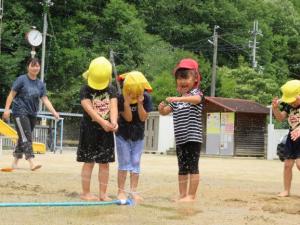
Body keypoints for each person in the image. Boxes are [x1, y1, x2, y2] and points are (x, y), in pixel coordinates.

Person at [158, 58, 204, 202]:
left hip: (193, 138)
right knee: (182, 168)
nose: (182, 81)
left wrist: (178, 99)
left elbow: (197, 100)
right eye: (179, 78)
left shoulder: (196, 93)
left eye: (186, 78)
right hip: (181, 140)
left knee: (193, 167)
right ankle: (182, 194)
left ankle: (191, 195)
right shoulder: (178, 100)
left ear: (195, 78)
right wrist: (161, 108)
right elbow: (165, 111)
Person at [2, 58, 59, 171]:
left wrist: (54, 112)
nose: (35, 68)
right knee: (27, 136)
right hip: (19, 112)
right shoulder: (21, 80)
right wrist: (7, 109)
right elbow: (11, 95)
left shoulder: (40, 84)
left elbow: (45, 100)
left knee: (22, 137)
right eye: (33, 65)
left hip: (32, 113)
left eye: (37, 66)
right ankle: (31, 161)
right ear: (28, 67)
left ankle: (15, 162)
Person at [77, 56, 118, 201]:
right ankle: (86, 193)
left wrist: (113, 122)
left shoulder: (111, 89)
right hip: (89, 129)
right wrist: (104, 123)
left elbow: (113, 107)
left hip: (106, 131)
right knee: (89, 162)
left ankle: (103, 193)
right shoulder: (85, 90)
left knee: (105, 163)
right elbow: (90, 110)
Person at [115, 71, 153, 203]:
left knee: (135, 162)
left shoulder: (146, 98)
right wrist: (126, 103)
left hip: (138, 135)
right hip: (123, 135)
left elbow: (143, 117)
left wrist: (140, 104)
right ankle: (121, 191)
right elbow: (129, 118)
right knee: (124, 162)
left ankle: (133, 191)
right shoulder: (120, 98)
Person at [272, 79, 300, 197]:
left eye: (293, 100)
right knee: (287, 164)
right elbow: (280, 118)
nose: (292, 103)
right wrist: (275, 109)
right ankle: (286, 190)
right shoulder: (288, 106)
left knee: (299, 164)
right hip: (292, 137)